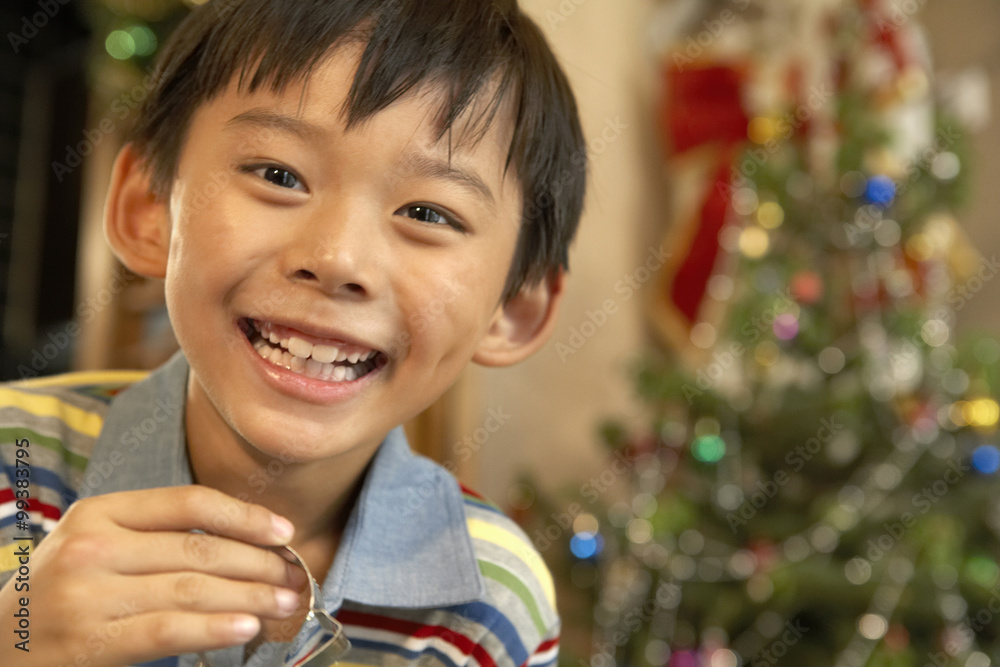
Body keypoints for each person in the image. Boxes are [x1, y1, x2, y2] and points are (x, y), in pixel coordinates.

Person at [0, 1, 587, 665]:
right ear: (149, 210)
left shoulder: (491, 597)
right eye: (278, 174)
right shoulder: (11, 467)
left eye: (428, 211)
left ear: (514, 309)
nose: (336, 258)